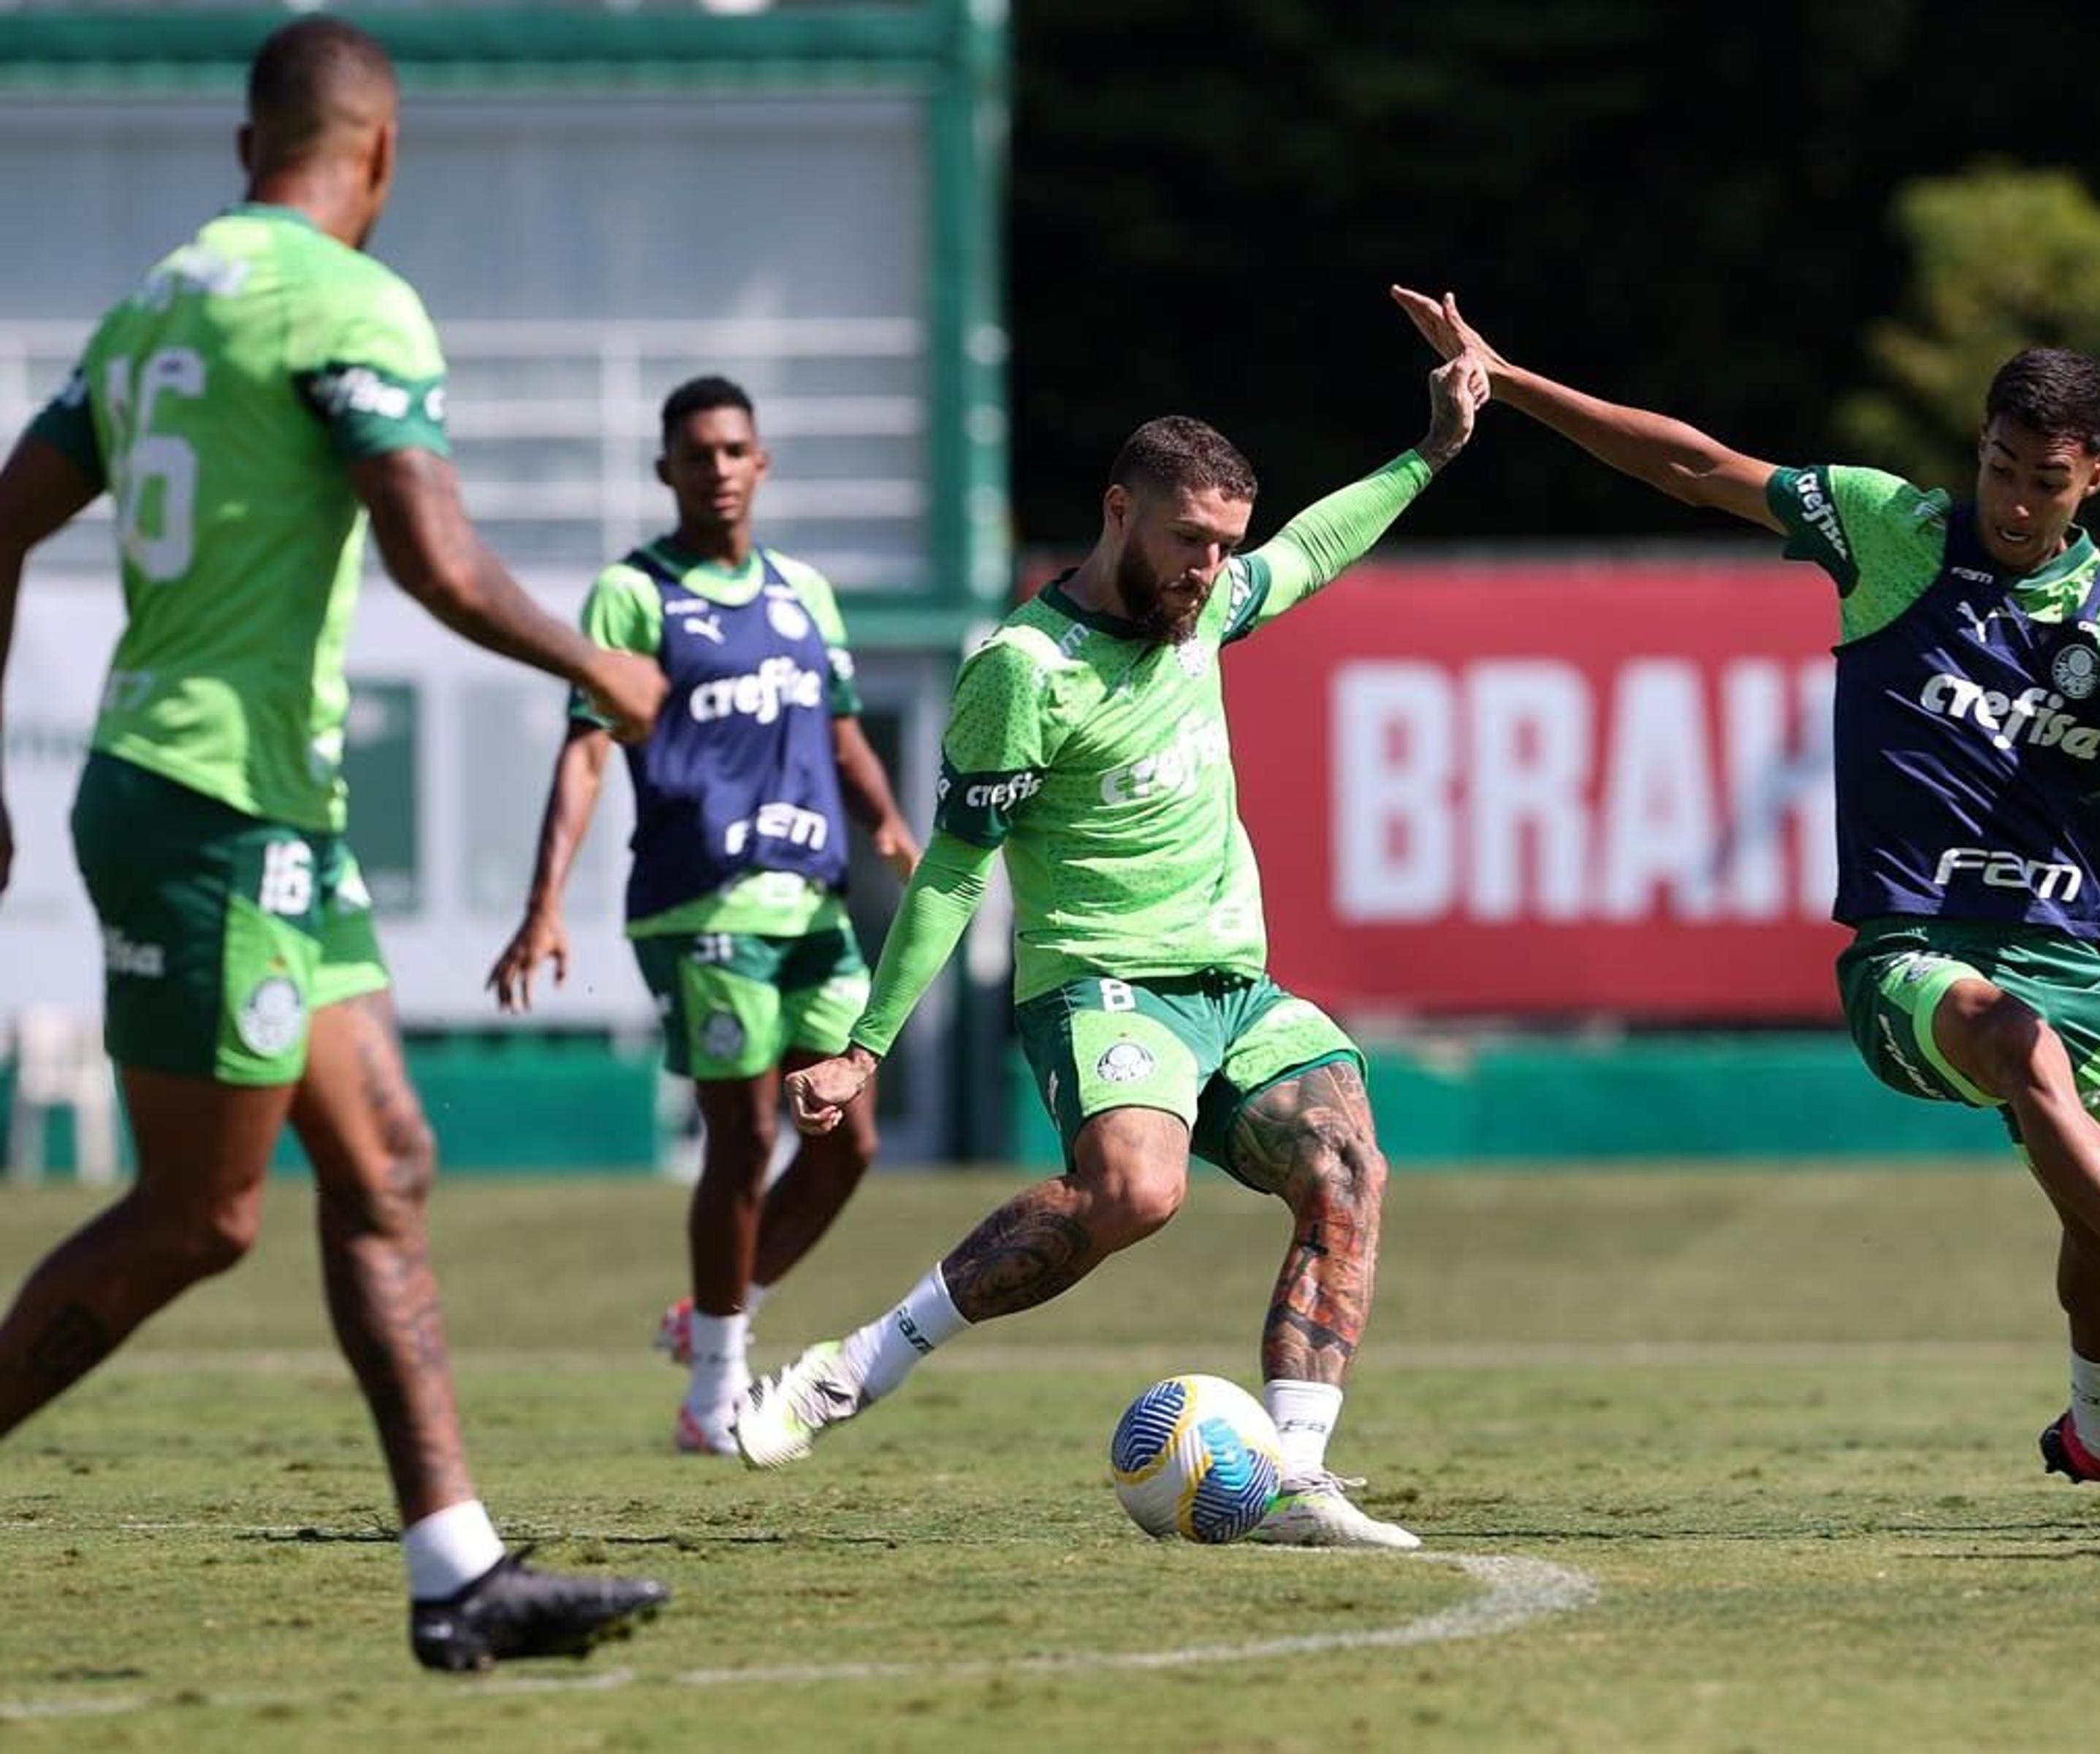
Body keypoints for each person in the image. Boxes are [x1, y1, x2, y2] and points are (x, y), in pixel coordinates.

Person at [1390, 287, 2100, 1528]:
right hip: (1910, 955)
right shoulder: (1891, 528)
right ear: (1979, 449)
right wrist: (1512, 376)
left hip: (2066, 956)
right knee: (2024, 1058)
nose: (2018, 503)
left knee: (2099, 1213)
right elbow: (1694, 464)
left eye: (2050, 482)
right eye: (2001, 468)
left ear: (2098, 481)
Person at [0, 18, 670, 1669]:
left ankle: (459, 1575)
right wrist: (597, 663)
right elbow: (435, 559)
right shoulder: (349, 299)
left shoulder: (162, 297)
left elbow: (3, 515)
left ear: (252, 149)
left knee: (386, 1168)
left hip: (259, 810)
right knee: (199, 1216)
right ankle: (456, 1571)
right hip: (209, 801)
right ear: (380, 155)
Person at [728, 354, 1488, 1550]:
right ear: (1118, 510)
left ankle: (1293, 1474)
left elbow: (1319, 546)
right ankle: (856, 1367)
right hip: (1100, 982)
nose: (1211, 569)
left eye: (1226, 544)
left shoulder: (1216, 605)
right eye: (1189, 539)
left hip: (1237, 987)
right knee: (1138, 1190)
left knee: (1348, 1170)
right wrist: (865, 1050)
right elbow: (954, 871)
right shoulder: (1021, 672)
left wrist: (1433, 449)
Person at [485, 376, 918, 1456]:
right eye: (697, 454)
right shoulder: (634, 597)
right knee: (743, 1133)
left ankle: (719, 1311)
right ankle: (712, 1390)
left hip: (811, 899)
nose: (718, 469)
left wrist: (891, 826)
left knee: (848, 1138)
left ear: (760, 463)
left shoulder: (803, 594)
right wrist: (544, 902)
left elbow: (841, 729)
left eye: (735, 450)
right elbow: (587, 748)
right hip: (701, 903)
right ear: (667, 471)